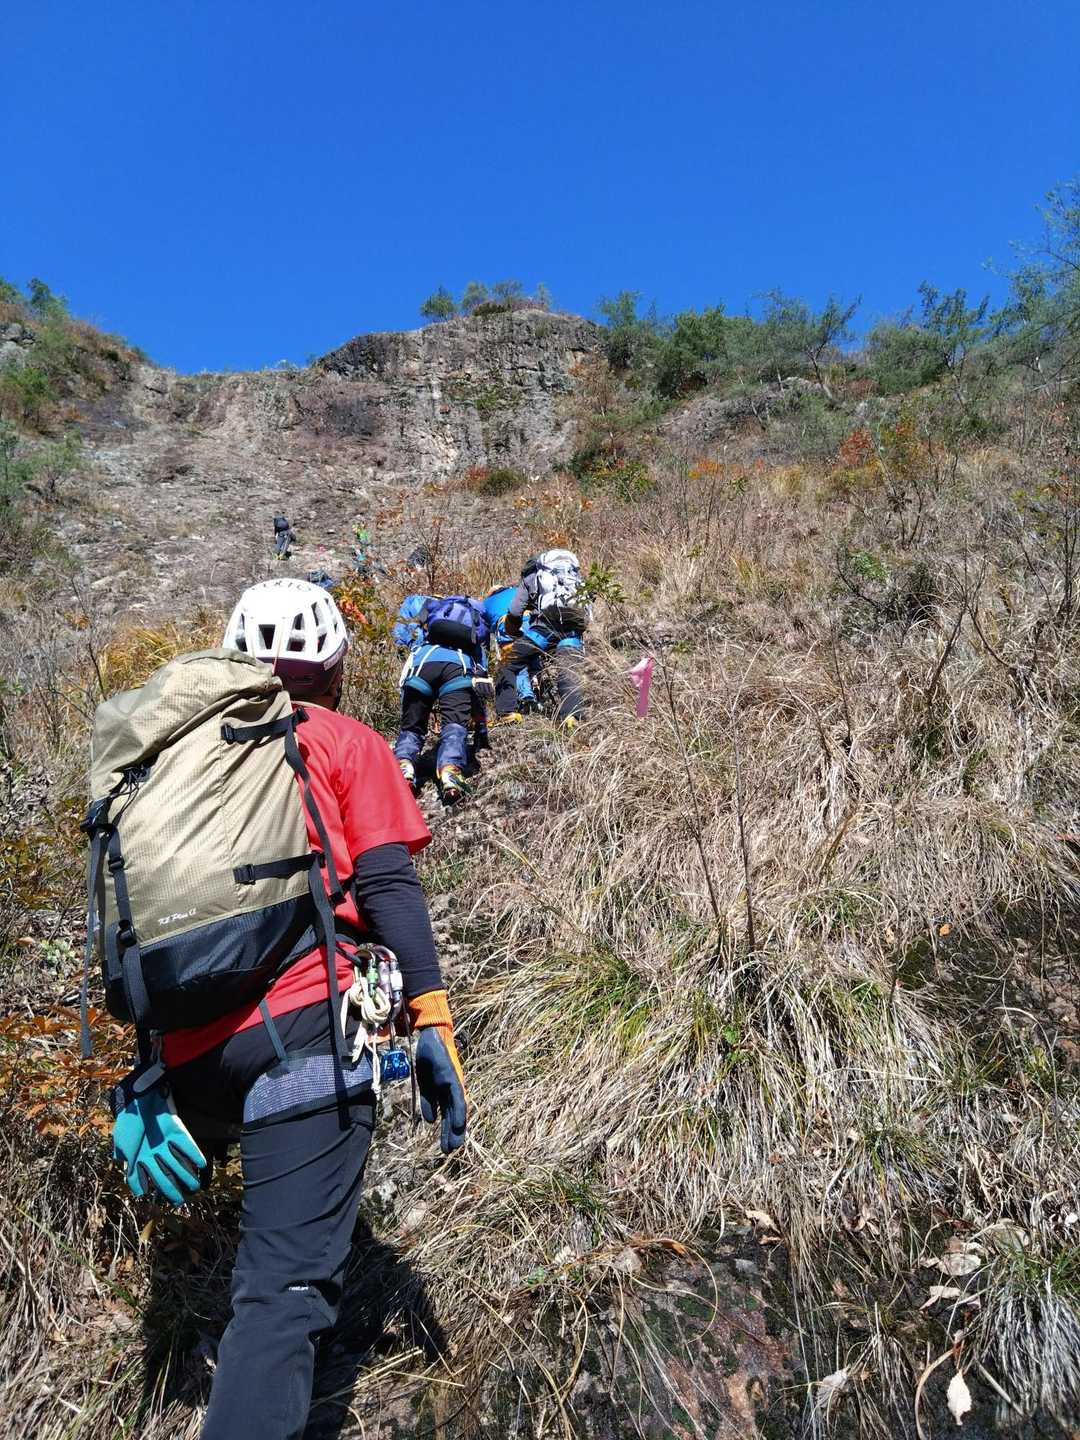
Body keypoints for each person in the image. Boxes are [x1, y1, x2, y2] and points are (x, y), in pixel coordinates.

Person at [116, 578, 467, 1440]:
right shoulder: (343, 740)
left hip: (186, 1057)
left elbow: (141, 920)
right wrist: (432, 1019)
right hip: (304, 1037)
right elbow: (387, 884)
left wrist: (145, 1073)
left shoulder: (171, 761)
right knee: (282, 1295)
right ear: (337, 670)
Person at [391, 594, 490, 802]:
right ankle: (450, 770)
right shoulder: (474, 644)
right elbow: (480, 684)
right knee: (454, 725)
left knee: (412, 728)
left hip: (421, 667)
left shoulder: (428, 635)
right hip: (457, 670)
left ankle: (404, 764)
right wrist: (481, 730)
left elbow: (408, 642)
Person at [494, 550, 590, 728]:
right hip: (572, 630)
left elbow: (515, 611)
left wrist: (514, 633)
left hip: (543, 630)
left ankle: (506, 712)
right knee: (568, 670)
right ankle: (571, 717)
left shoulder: (531, 577)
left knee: (509, 663)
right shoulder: (572, 574)